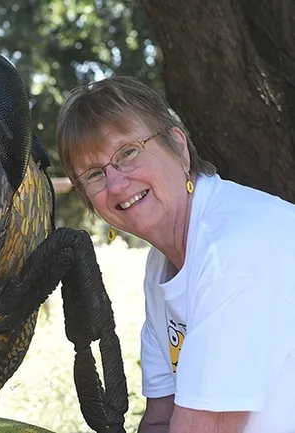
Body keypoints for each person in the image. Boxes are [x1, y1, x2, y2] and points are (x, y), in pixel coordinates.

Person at [56, 76, 295, 433]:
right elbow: (160, 419)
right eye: (93, 174)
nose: (117, 184)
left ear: (179, 149)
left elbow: (207, 426)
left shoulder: (234, 251)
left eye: (128, 153)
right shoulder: (161, 267)